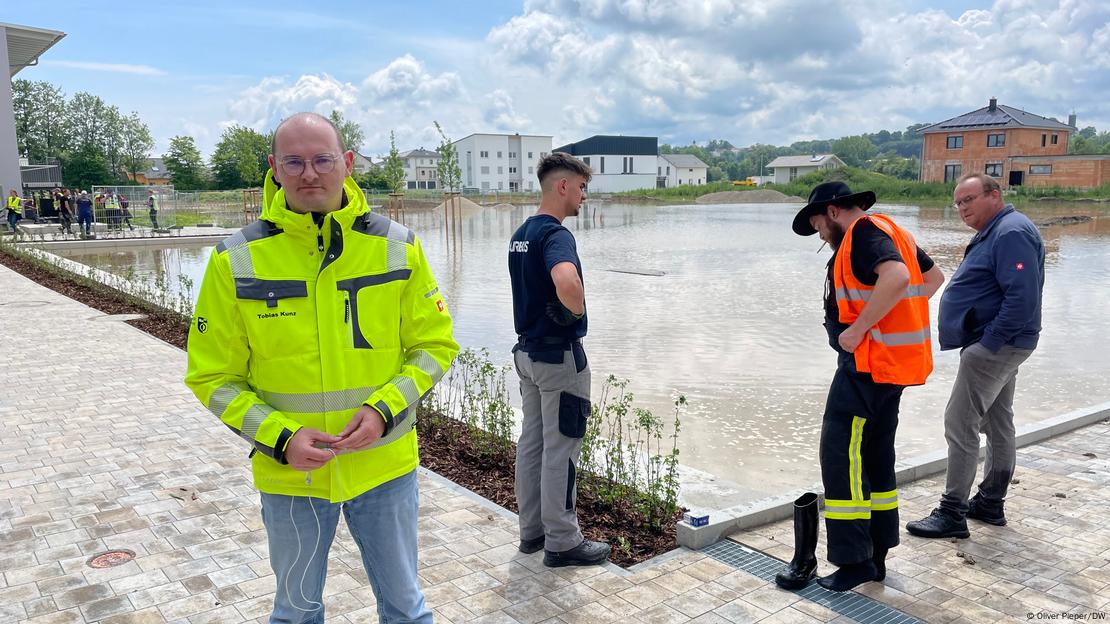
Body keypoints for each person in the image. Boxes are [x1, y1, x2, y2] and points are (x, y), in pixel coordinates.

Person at [185, 112, 457, 623]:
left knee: (406, 607)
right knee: (296, 612)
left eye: (322, 159)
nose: (309, 173)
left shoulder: (398, 245)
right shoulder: (235, 259)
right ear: (275, 167)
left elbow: (434, 346)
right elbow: (211, 377)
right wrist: (282, 437)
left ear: (347, 164)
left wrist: (384, 409)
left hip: (384, 467)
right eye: (294, 161)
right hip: (292, 477)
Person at [776, 181, 944, 592]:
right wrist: (888, 316)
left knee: (840, 457)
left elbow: (899, 276)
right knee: (875, 457)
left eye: (817, 224)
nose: (819, 234)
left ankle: (854, 562)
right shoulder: (893, 231)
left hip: (866, 367)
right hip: (891, 368)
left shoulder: (863, 233)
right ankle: (877, 554)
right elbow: (933, 279)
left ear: (833, 212)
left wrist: (860, 329)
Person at [907, 173, 1044, 539]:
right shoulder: (999, 230)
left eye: (969, 199)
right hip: (1003, 345)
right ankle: (990, 502)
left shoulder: (1011, 232)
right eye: (958, 203)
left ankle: (953, 510)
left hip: (995, 347)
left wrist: (988, 343)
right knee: (998, 420)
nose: (962, 208)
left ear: (994, 195)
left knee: (960, 422)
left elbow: (1022, 298)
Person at [508, 152, 611, 568]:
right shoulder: (556, 234)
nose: (584, 196)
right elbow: (566, 280)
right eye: (582, 187)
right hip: (558, 358)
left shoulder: (521, 233)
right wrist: (576, 311)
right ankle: (563, 541)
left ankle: (532, 532)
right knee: (562, 448)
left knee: (532, 442)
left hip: (527, 354)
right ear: (562, 186)